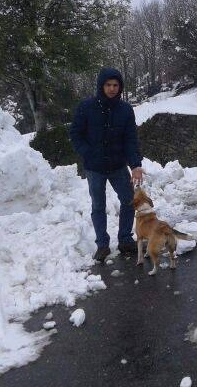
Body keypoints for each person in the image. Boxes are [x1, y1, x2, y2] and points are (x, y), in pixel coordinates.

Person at [69, 67, 143, 262]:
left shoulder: (126, 110)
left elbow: (130, 140)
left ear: (120, 87)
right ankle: (102, 244)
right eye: (108, 85)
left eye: (115, 85)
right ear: (101, 86)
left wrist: (135, 165)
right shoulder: (86, 107)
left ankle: (125, 239)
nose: (112, 89)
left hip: (118, 165)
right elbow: (75, 134)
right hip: (95, 168)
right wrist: (87, 153)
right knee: (98, 205)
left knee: (129, 200)